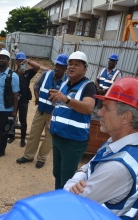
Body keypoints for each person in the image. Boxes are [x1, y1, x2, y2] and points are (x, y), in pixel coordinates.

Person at [64, 77, 138, 219]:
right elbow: (88, 166)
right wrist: (82, 173)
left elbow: (70, 200)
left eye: (106, 108)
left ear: (125, 118)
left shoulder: (118, 167)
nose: (99, 113)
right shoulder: (120, 143)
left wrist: (73, 182)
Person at [48, 51, 97, 189]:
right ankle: (58, 198)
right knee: (57, 173)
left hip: (73, 141)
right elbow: (57, 104)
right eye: (70, 64)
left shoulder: (88, 86)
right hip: (58, 138)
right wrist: (52, 120)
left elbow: (88, 108)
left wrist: (66, 99)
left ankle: (65, 206)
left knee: (67, 177)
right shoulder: (64, 84)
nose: (71, 67)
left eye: (77, 64)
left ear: (85, 69)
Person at [16, 54, 68, 169]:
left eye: (60, 66)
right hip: (40, 111)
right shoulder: (46, 74)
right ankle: (28, 156)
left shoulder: (67, 82)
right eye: (57, 65)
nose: (57, 68)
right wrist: (37, 97)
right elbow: (36, 86)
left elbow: (65, 101)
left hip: (53, 115)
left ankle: (41, 158)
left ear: (65, 69)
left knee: (48, 138)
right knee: (34, 134)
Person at [7, 52, 39, 147]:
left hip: (24, 100)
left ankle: (22, 139)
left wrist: (28, 61)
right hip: (14, 100)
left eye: (22, 62)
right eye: (19, 62)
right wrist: (18, 73)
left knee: (23, 120)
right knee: (12, 118)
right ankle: (11, 136)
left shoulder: (28, 73)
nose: (21, 64)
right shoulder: (13, 74)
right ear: (16, 62)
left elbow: (37, 67)